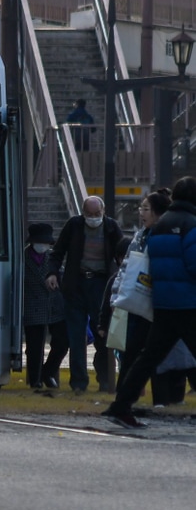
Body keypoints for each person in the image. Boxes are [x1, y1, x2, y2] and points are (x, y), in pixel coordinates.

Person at [102, 176, 196, 429]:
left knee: (148, 358)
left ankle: (120, 406)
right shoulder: (191, 225)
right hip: (188, 302)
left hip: (163, 303)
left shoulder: (161, 225)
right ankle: (121, 407)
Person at [97, 190, 172, 403]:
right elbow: (126, 268)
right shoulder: (140, 236)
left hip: (160, 302)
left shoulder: (166, 234)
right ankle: (124, 397)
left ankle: (158, 399)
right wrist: (116, 297)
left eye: (146, 209)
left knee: (154, 352)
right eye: (141, 208)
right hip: (139, 302)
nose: (141, 213)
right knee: (133, 352)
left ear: (158, 212)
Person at [45, 195, 124, 393]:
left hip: (101, 283)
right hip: (76, 284)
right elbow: (58, 252)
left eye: (97, 214)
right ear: (83, 212)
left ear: (103, 211)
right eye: (89, 214)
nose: (93, 218)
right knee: (76, 336)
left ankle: (105, 380)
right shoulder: (74, 225)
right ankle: (79, 383)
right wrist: (52, 273)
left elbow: (122, 252)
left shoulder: (111, 227)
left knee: (102, 334)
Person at [23, 223, 69, 390]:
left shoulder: (53, 258)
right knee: (34, 346)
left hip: (54, 305)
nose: (43, 245)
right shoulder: (22, 258)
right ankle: (35, 380)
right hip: (32, 305)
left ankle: (47, 372)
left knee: (63, 342)